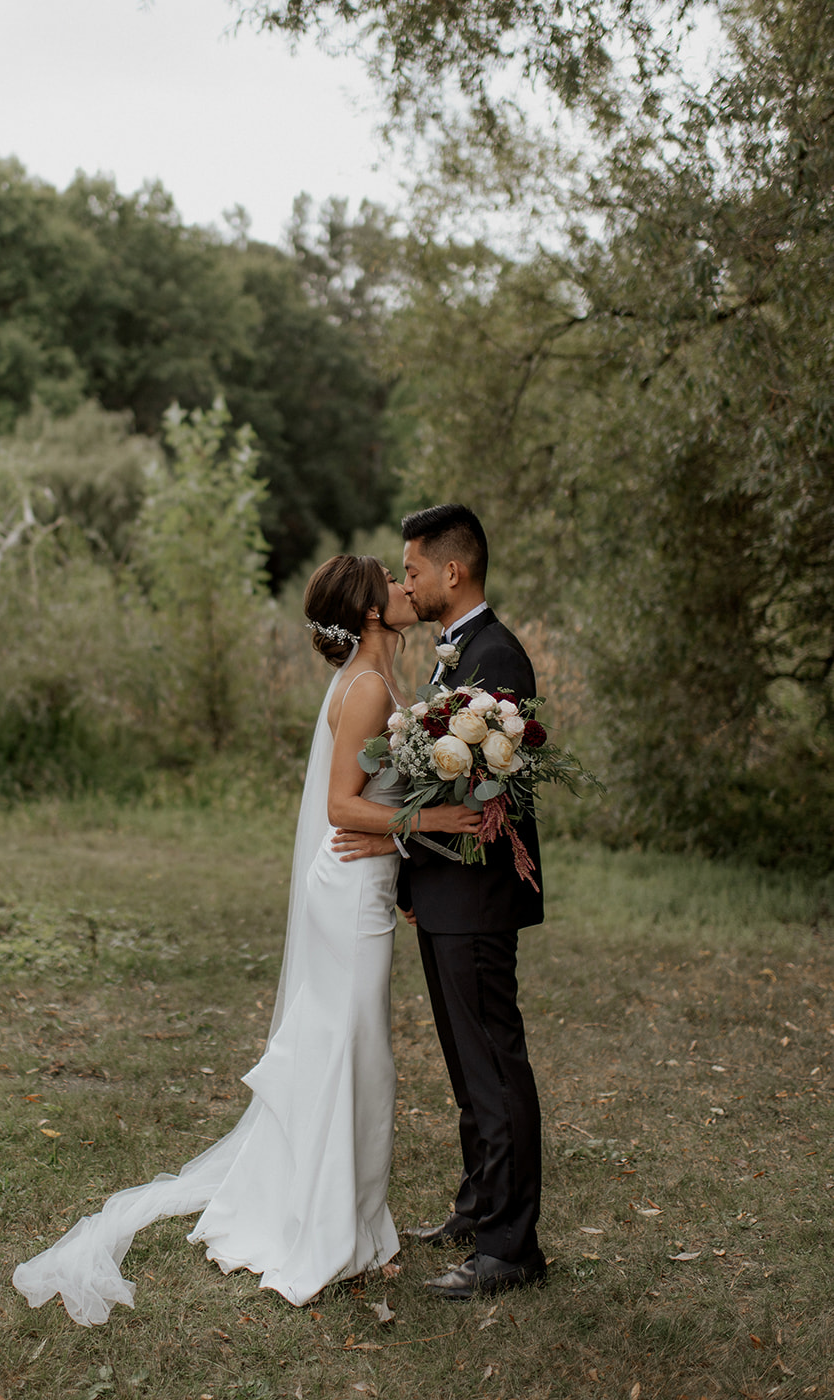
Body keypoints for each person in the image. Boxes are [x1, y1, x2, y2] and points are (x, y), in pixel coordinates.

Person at [12, 553, 484, 1323]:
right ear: (370, 612)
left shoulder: (388, 679)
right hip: (348, 895)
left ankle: (355, 1222)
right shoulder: (366, 690)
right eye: (393, 584)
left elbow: (376, 797)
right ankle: (327, 1231)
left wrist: (406, 841)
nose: (407, 589)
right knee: (350, 1051)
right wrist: (432, 821)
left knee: (361, 1052)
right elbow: (341, 809)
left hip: (365, 887)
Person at [332, 504, 546, 1299]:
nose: (408, 582)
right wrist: (413, 874)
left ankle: (510, 1251)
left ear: (451, 572)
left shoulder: (499, 658)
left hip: (479, 897)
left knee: (494, 1064)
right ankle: (477, 1205)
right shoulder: (455, 657)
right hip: (443, 893)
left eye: (414, 569)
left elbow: (483, 791)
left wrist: (404, 839)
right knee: (467, 1065)